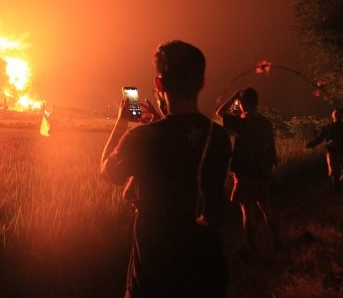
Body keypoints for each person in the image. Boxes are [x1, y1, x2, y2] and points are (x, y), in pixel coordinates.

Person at [101, 40, 232, 298]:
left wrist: (122, 121)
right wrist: (162, 119)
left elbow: (108, 171)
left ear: (159, 85)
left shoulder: (142, 137)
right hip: (206, 268)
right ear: (202, 82)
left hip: (156, 270)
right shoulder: (218, 137)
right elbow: (184, 156)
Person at [216, 87, 281, 253]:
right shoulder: (265, 122)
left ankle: (253, 249)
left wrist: (234, 97)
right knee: (267, 207)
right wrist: (272, 163)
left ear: (242, 103)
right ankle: (278, 241)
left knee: (248, 210)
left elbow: (220, 112)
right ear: (257, 102)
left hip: (245, 172)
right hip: (264, 171)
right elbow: (270, 146)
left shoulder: (241, 122)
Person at [305, 107, 343, 194]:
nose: (337, 115)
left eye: (338, 113)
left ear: (342, 115)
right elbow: (319, 138)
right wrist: (310, 144)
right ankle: (338, 191)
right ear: (332, 116)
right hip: (333, 153)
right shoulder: (328, 128)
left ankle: (342, 184)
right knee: (335, 174)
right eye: (335, 113)